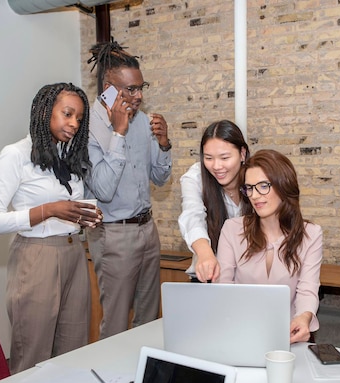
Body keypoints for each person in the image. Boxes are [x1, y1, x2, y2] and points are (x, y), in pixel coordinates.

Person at [0, 82, 102, 374]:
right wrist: (48, 211)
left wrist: (82, 215)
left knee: (73, 352)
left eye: (79, 119)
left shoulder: (66, 157)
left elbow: (67, 206)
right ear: (46, 111)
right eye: (67, 114)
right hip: (36, 257)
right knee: (33, 354)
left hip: (74, 255)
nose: (73, 123)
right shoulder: (15, 155)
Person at [85, 39, 172, 339]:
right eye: (130, 90)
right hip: (113, 234)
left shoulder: (144, 121)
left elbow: (160, 179)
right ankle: (114, 382)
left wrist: (164, 144)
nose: (138, 96)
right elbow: (103, 190)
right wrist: (118, 134)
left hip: (147, 229)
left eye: (141, 87)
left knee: (149, 319)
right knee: (117, 323)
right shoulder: (89, 127)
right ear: (108, 87)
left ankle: (144, 380)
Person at [215, 149, 323, 343]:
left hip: (287, 335)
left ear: (284, 185)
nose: (255, 196)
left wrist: (304, 317)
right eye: (249, 188)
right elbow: (222, 288)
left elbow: (307, 290)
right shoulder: (232, 229)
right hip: (238, 332)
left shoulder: (311, 234)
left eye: (263, 186)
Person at [178, 120, 250, 282]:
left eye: (224, 157)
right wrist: (205, 254)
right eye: (209, 158)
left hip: (248, 278)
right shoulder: (196, 178)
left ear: (242, 154)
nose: (217, 166)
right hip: (208, 276)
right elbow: (192, 216)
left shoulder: (256, 177)